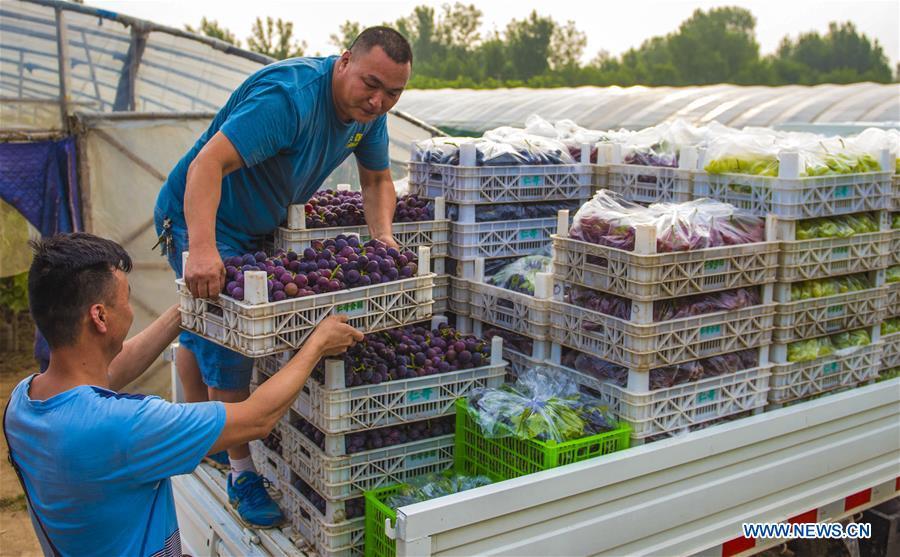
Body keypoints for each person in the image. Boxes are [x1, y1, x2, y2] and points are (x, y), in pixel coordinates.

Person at [152, 26, 412, 525]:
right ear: (344, 61)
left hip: (256, 224)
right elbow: (207, 164)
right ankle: (241, 471)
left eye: (393, 93)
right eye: (371, 84)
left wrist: (383, 237)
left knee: (201, 326)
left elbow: (378, 178)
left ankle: (199, 432)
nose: (379, 101)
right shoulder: (288, 100)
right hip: (201, 216)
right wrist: (201, 249)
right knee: (230, 338)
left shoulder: (369, 115)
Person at [3, 232, 363, 556]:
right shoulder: (127, 426)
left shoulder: (23, 403)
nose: (130, 308)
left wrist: (185, 309)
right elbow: (257, 418)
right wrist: (316, 345)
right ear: (99, 316)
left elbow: (108, 372)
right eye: (126, 299)